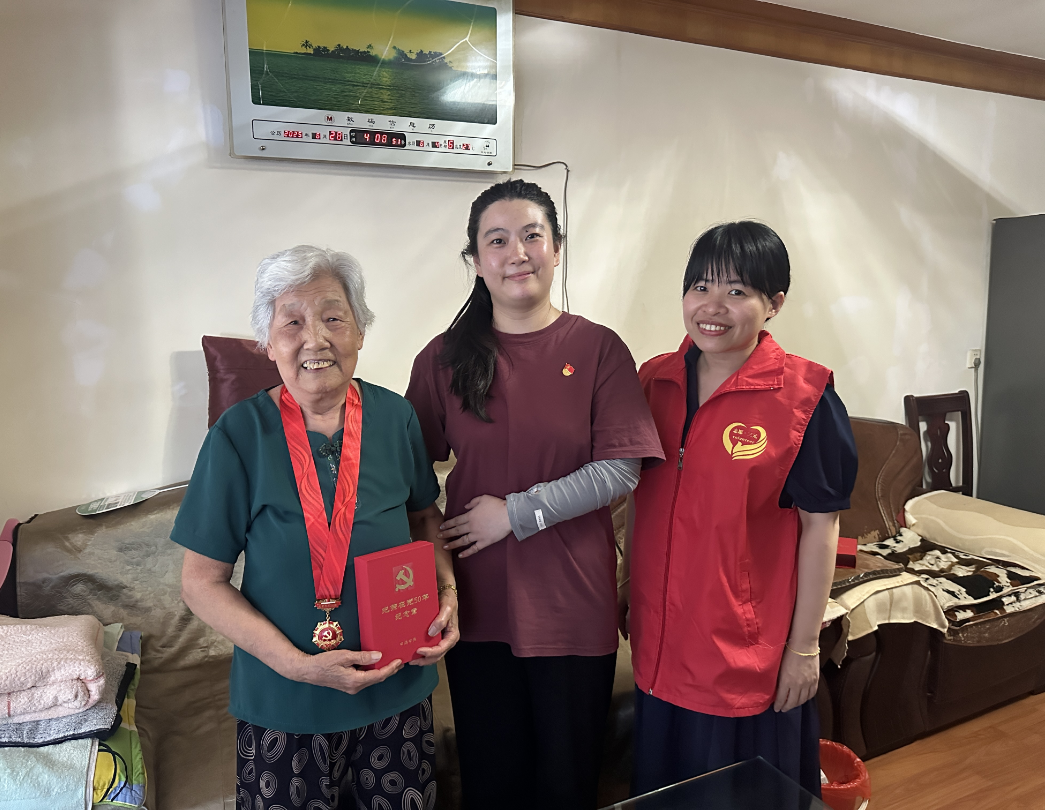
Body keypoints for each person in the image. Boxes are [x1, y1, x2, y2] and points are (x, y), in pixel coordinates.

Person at [405, 179, 665, 809]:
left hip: (572, 605)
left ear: (557, 248)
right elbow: (408, 478)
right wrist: (429, 569)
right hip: (477, 605)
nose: (516, 253)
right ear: (476, 260)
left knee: (567, 786)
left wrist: (514, 514)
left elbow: (620, 470)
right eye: (497, 241)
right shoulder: (443, 359)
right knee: (492, 785)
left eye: (532, 236)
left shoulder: (598, 348)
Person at [173, 245, 459, 810]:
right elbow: (200, 582)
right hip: (285, 701)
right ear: (268, 341)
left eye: (333, 318)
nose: (315, 339)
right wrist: (296, 665)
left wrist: (447, 593)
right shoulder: (238, 436)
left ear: (360, 331)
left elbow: (425, 517)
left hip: (397, 686)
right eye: (293, 323)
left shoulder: (396, 417)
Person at [620, 221, 858, 798]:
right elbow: (635, 497)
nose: (712, 307)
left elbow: (821, 528)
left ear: (774, 303)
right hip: (659, 645)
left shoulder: (804, 398)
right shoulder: (653, 382)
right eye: (700, 287)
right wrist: (625, 584)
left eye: (736, 291)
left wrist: (804, 649)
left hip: (742, 659)